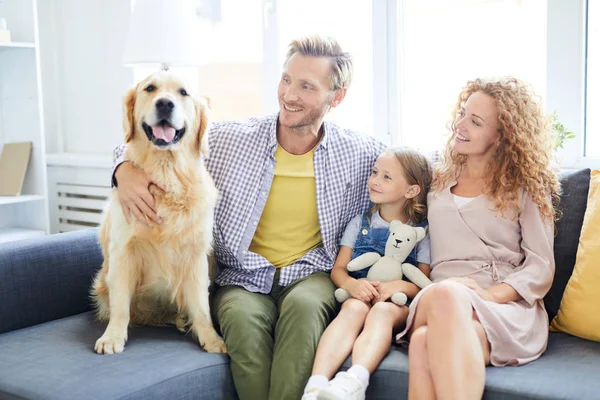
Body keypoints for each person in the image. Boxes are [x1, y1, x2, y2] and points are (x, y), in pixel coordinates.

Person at [110, 35, 385, 400]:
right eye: (286, 80)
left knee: (304, 312)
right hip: (242, 276)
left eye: (306, 86)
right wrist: (122, 169)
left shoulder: (361, 153)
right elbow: (146, 138)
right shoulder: (230, 139)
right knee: (239, 321)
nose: (289, 94)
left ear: (337, 97)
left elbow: (418, 171)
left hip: (311, 274)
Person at [396, 77, 560, 400]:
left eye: (475, 121)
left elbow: (541, 265)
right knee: (446, 296)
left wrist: (490, 294)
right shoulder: (435, 179)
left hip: (506, 307)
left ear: (501, 137)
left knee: (422, 343)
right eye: (462, 114)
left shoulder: (527, 186)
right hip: (441, 296)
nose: (460, 125)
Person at [301, 147, 433, 400]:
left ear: (411, 191)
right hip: (361, 295)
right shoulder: (359, 223)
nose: (374, 180)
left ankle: (355, 380)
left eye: (386, 177)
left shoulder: (420, 233)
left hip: (397, 305)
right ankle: (315, 386)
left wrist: (399, 287)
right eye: (374, 172)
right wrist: (351, 285)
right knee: (353, 308)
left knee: (382, 311)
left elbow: (423, 282)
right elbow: (339, 269)